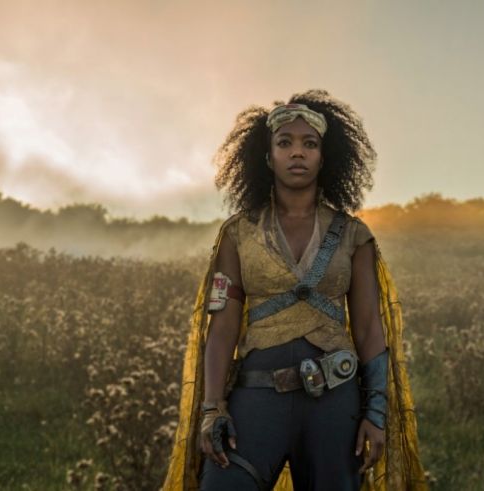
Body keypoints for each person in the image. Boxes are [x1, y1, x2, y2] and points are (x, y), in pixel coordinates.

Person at [163, 89, 426, 490]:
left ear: (325, 156)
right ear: (268, 157)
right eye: (285, 143)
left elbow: (371, 328)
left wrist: (375, 412)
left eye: (309, 144)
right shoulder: (238, 234)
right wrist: (213, 409)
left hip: (335, 406)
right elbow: (223, 326)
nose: (297, 153)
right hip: (255, 399)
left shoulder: (355, 236)